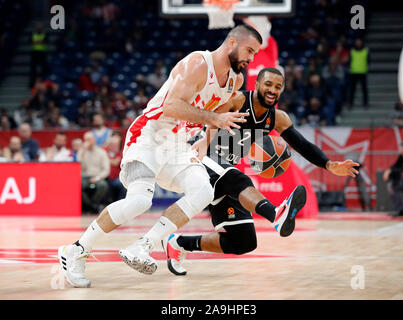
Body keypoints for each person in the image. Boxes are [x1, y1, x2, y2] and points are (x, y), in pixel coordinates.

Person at [58, 24, 262, 287]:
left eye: (255, 54)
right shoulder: (198, 63)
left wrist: (205, 140)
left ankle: (143, 246)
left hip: (178, 143)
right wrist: (214, 119)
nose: (251, 59)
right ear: (232, 42)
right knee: (139, 201)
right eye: (249, 51)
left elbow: (218, 117)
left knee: (203, 191)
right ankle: (76, 249)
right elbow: (172, 105)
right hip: (150, 134)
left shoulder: (236, 80)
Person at [162, 67, 360, 275]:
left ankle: (178, 243)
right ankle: (276, 214)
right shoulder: (238, 101)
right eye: (268, 84)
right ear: (257, 85)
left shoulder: (278, 118)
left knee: (242, 241)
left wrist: (329, 165)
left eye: (278, 86)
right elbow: (213, 118)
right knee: (238, 179)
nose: (272, 90)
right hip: (200, 156)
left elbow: (301, 144)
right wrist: (204, 142)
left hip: (223, 172)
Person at [78, 132, 110, 214]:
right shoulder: (81, 152)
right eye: (86, 140)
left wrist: (97, 178)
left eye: (90, 139)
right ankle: (92, 206)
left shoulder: (101, 152)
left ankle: (92, 205)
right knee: (77, 186)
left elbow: (106, 170)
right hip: (84, 177)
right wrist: (83, 153)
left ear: (94, 140)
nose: (88, 142)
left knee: (103, 185)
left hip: (97, 177)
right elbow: (78, 167)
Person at [348, 38, 370, 109]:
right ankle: (350, 103)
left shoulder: (365, 50)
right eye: (357, 42)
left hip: (363, 72)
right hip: (353, 72)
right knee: (352, 89)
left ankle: (365, 103)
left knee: (364, 89)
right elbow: (349, 60)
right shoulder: (352, 51)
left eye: (359, 42)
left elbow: (368, 60)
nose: (358, 43)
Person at [105, 135, 126, 203]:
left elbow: (116, 162)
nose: (114, 146)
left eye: (116, 145)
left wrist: (105, 159)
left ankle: (120, 203)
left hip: (117, 177)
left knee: (123, 183)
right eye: (112, 144)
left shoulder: (121, 152)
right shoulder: (105, 151)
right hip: (106, 177)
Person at [29, 23, 48, 87]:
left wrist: (36, 42)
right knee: (33, 70)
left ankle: (43, 82)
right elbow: (30, 42)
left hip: (42, 53)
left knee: (43, 69)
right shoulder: (32, 34)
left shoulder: (45, 34)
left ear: (42, 28)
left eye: (40, 27)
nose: (39, 28)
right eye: (38, 27)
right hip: (34, 53)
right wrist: (40, 42)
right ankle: (32, 84)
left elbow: (45, 41)